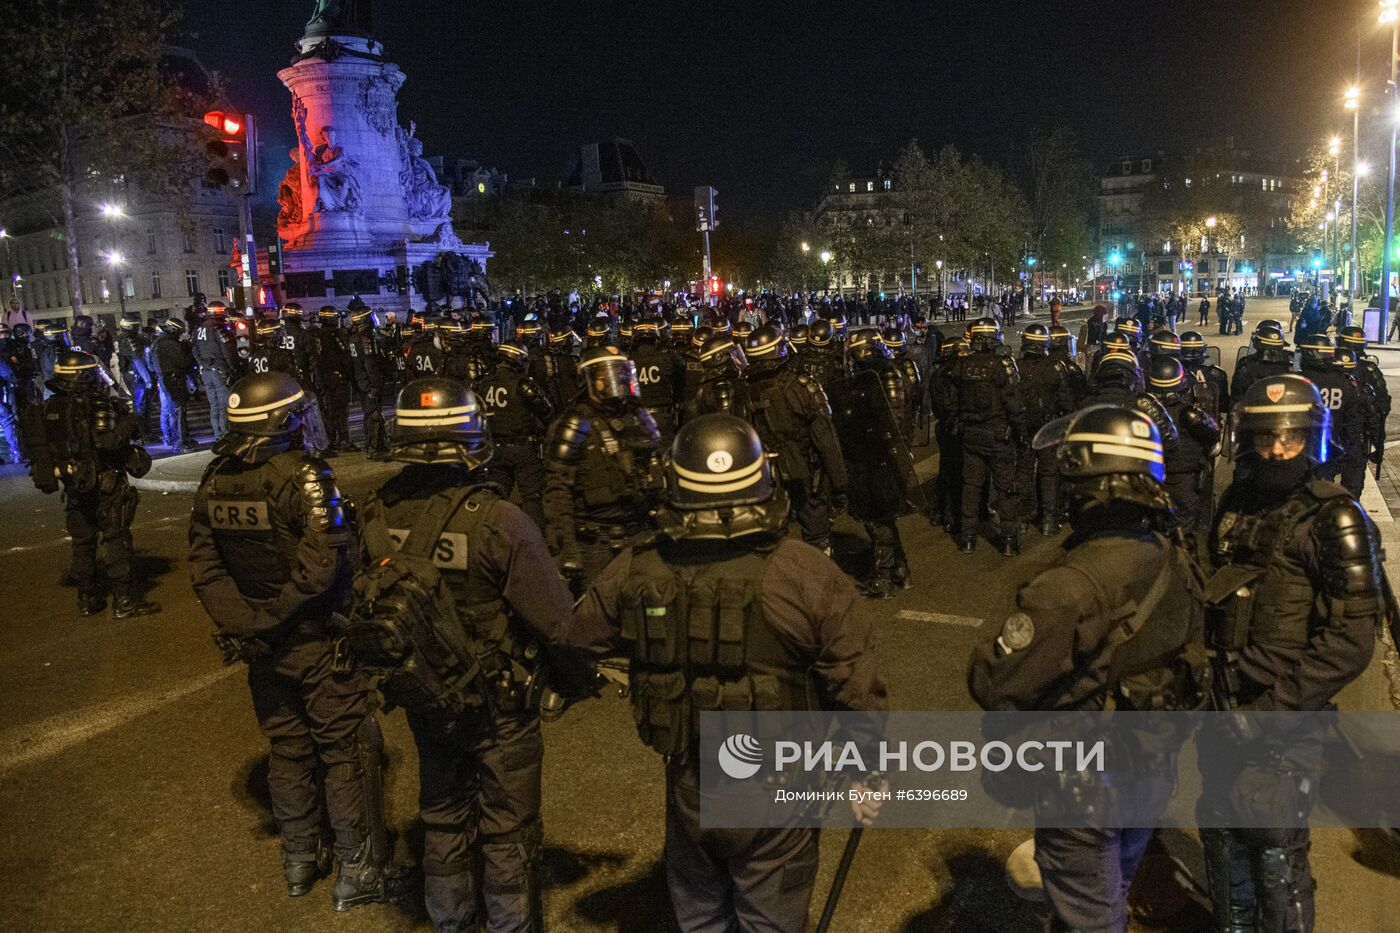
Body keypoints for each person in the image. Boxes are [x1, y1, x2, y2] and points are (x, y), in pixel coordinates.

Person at [574, 413, 888, 933]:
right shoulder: (802, 571)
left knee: (700, 913)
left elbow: (578, 636)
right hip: (778, 788)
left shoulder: (638, 565)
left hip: (691, 778)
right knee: (770, 917)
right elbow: (854, 683)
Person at [357, 376, 592, 932]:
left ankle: (450, 922)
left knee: (441, 817)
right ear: (470, 436)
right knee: (509, 832)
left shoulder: (377, 512)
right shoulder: (499, 519)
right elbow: (559, 624)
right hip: (500, 708)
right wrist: (577, 681)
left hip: (426, 700)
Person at [969, 404, 1204, 933]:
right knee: (1113, 888)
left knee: (1088, 914)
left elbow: (994, 678)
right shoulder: (1174, 556)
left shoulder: (1068, 585)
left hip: (1083, 782)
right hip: (1150, 763)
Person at [188, 371, 404, 909]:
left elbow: (204, 566)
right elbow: (320, 569)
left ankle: (300, 861)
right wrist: (273, 621)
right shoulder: (305, 477)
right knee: (346, 749)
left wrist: (245, 623)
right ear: (280, 423)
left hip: (261, 649)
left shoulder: (215, 479)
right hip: (313, 641)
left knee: (287, 749)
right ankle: (359, 872)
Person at [1201, 374, 1381, 932]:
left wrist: (1273, 712)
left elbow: (1350, 642)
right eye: (1266, 438)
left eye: (1292, 439)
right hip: (1225, 703)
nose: (1277, 450)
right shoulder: (1237, 499)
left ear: (1312, 439)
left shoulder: (1336, 518)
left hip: (1285, 719)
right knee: (1224, 837)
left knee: (1275, 849)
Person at [24, 350, 159, 618]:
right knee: (116, 539)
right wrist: (126, 422)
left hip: (74, 486)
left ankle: (87, 598)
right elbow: (108, 442)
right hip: (105, 484)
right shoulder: (95, 405)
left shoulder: (51, 408)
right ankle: (124, 601)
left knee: (83, 543)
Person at [542, 344, 662, 590]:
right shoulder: (575, 423)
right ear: (589, 382)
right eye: (605, 377)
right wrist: (567, 548)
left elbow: (655, 464)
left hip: (638, 532)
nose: (614, 382)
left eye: (620, 375)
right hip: (596, 542)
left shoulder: (636, 417)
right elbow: (557, 490)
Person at [743, 322, 848, 554]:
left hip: (766, 476)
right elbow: (826, 438)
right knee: (818, 539)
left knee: (776, 543)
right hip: (806, 473)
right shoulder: (801, 385)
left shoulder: (742, 390)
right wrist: (841, 484)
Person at [950, 317, 1026, 555]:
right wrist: (1022, 434)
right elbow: (1014, 405)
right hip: (998, 436)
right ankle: (1009, 541)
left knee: (971, 487)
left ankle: (968, 539)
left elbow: (954, 402)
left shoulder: (962, 364)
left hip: (971, 435)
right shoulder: (1003, 364)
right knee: (1006, 489)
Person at [477, 340, 555, 529]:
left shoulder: (485, 383)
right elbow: (547, 411)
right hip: (522, 449)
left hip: (494, 448)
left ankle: (489, 534)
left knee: (495, 496)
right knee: (532, 497)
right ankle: (536, 539)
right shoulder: (523, 384)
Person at [1145, 356, 1221, 533]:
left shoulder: (1141, 411)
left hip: (1149, 477)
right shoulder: (1188, 414)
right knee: (1183, 527)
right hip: (1182, 480)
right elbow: (1213, 435)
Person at [1015, 324, 1076, 537]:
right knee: (1048, 473)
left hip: (1023, 427)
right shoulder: (1056, 368)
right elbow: (1067, 403)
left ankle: (1023, 518)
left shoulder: (1016, 367)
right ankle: (1049, 520)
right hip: (1049, 428)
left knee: (1023, 472)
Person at [1297, 334, 1367, 496]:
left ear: (1310, 355)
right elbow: (1352, 426)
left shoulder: (1297, 382)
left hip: (1298, 453)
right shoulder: (1345, 383)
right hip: (1329, 451)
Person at [628, 317, 685, 446]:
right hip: (663, 417)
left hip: (638, 418)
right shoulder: (668, 358)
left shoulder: (628, 360)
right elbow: (680, 383)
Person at [191, 300, 241, 441]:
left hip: (206, 371)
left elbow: (194, 348)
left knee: (214, 405)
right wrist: (232, 368)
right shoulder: (219, 328)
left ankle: (217, 433)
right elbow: (227, 351)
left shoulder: (199, 328)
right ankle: (226, 433)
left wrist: (202, 362)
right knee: (225, 404)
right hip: (220, 370)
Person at [153, 317, 195, 453]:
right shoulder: (171, 344)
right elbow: (184, 362)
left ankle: (180, 440)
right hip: (173, 380)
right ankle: (180, 442)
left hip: (164, 379)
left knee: (171, 411)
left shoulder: (158, 342)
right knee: (178, 412)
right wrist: (189, 350)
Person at [1230, 324, 1293, 406]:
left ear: (1256, 344)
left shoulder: (1246, 365)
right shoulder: (1291, 364)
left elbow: (1236, 396)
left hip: (1255, 415)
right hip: (1286, 414)